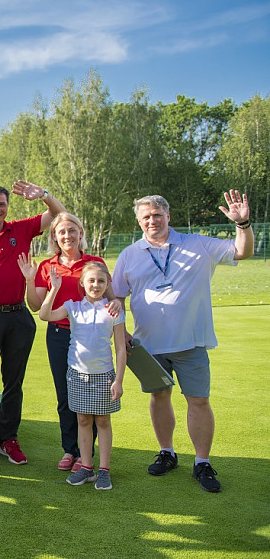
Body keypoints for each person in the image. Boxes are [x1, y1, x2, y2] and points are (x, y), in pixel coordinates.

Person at [112, 192, 253, 493]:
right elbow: (116, 297)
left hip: (191, 342)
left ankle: (202, 462)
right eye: (146, 217)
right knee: (159, 397)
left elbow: (242, 252)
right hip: (148, 346)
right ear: (139, 221)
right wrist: (120, 332)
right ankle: (167, 452)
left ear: (168, 216)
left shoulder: (197, 243)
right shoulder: (129, 254)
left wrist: (243, 224)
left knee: (199, 401)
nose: (152, 221)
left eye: (157, 215)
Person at [0, 181, 66, 467]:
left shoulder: (21, 228)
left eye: (1, 204)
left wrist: (43, 195)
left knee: (13, 382)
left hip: (18, 316)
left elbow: (61, 216)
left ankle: (9, 439)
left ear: (8, 206)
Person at [18, 212, 121, 473]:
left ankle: (87, 455)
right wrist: (30, 280)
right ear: (54, 236)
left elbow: (111, 299)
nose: (67, 236)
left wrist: (118, 301)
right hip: (59, 335)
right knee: (66, 396)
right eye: (61, 232)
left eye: (72, 230)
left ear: (80, 233)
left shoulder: (94, 263)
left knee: (95, 398)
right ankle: (70, 450)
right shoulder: (47, 267)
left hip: (92, 338)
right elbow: (35, 306)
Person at [39, 262, 127, 491]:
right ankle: (86, 468)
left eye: (101, 281)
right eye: (91, 281)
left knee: (103, 421)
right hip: (77, 375)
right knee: (83, 420)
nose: (96, 285)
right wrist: (54, 288)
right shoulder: (72, 307)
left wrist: (118, 380)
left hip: (104, 376)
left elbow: (120, 349)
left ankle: (104, 470)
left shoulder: (114, 310)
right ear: (82, 284)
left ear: (108, 284)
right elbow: (45, 315)